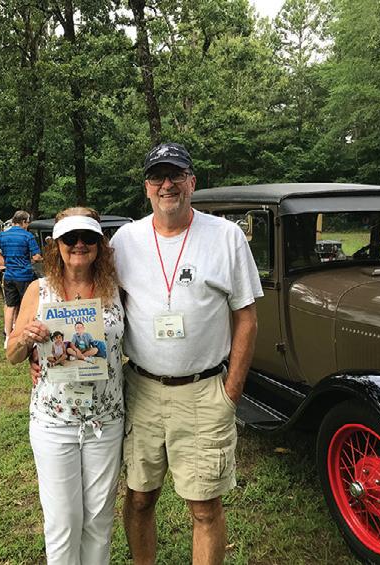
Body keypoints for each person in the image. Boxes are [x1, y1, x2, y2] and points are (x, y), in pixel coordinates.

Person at [111, 142, 263, 564]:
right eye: (157, 177)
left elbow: (247, 317)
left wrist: (231, 390)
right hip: (141, 389)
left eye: (176, 175)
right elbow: (99, 305)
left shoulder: (226, 237)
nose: (167, 184)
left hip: (203, 391)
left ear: (192, 182)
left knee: (204, 507)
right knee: (139, 496)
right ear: (146, 187)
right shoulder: (125, 240)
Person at [7, 207, 125, 565]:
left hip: (106, 420)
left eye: (88, 237)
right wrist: (26, 340)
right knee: (63, 522)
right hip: (54, 421)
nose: (79, 244)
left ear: (100, 244)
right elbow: (12, 354)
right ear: (55, 245)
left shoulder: (116, 290)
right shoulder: (38, 290)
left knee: (99, 520)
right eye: (70, 238)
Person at [0, 210, 42, 346]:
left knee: (10, 306)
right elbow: (36, 257)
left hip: (9, 276)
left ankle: (8, 337)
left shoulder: (3, 235)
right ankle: (26, 334)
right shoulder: (28, 236)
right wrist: (38, 259)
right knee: (26, 306)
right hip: (25, 276)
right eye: (28, 222)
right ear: (24, 222)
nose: (28, 225)